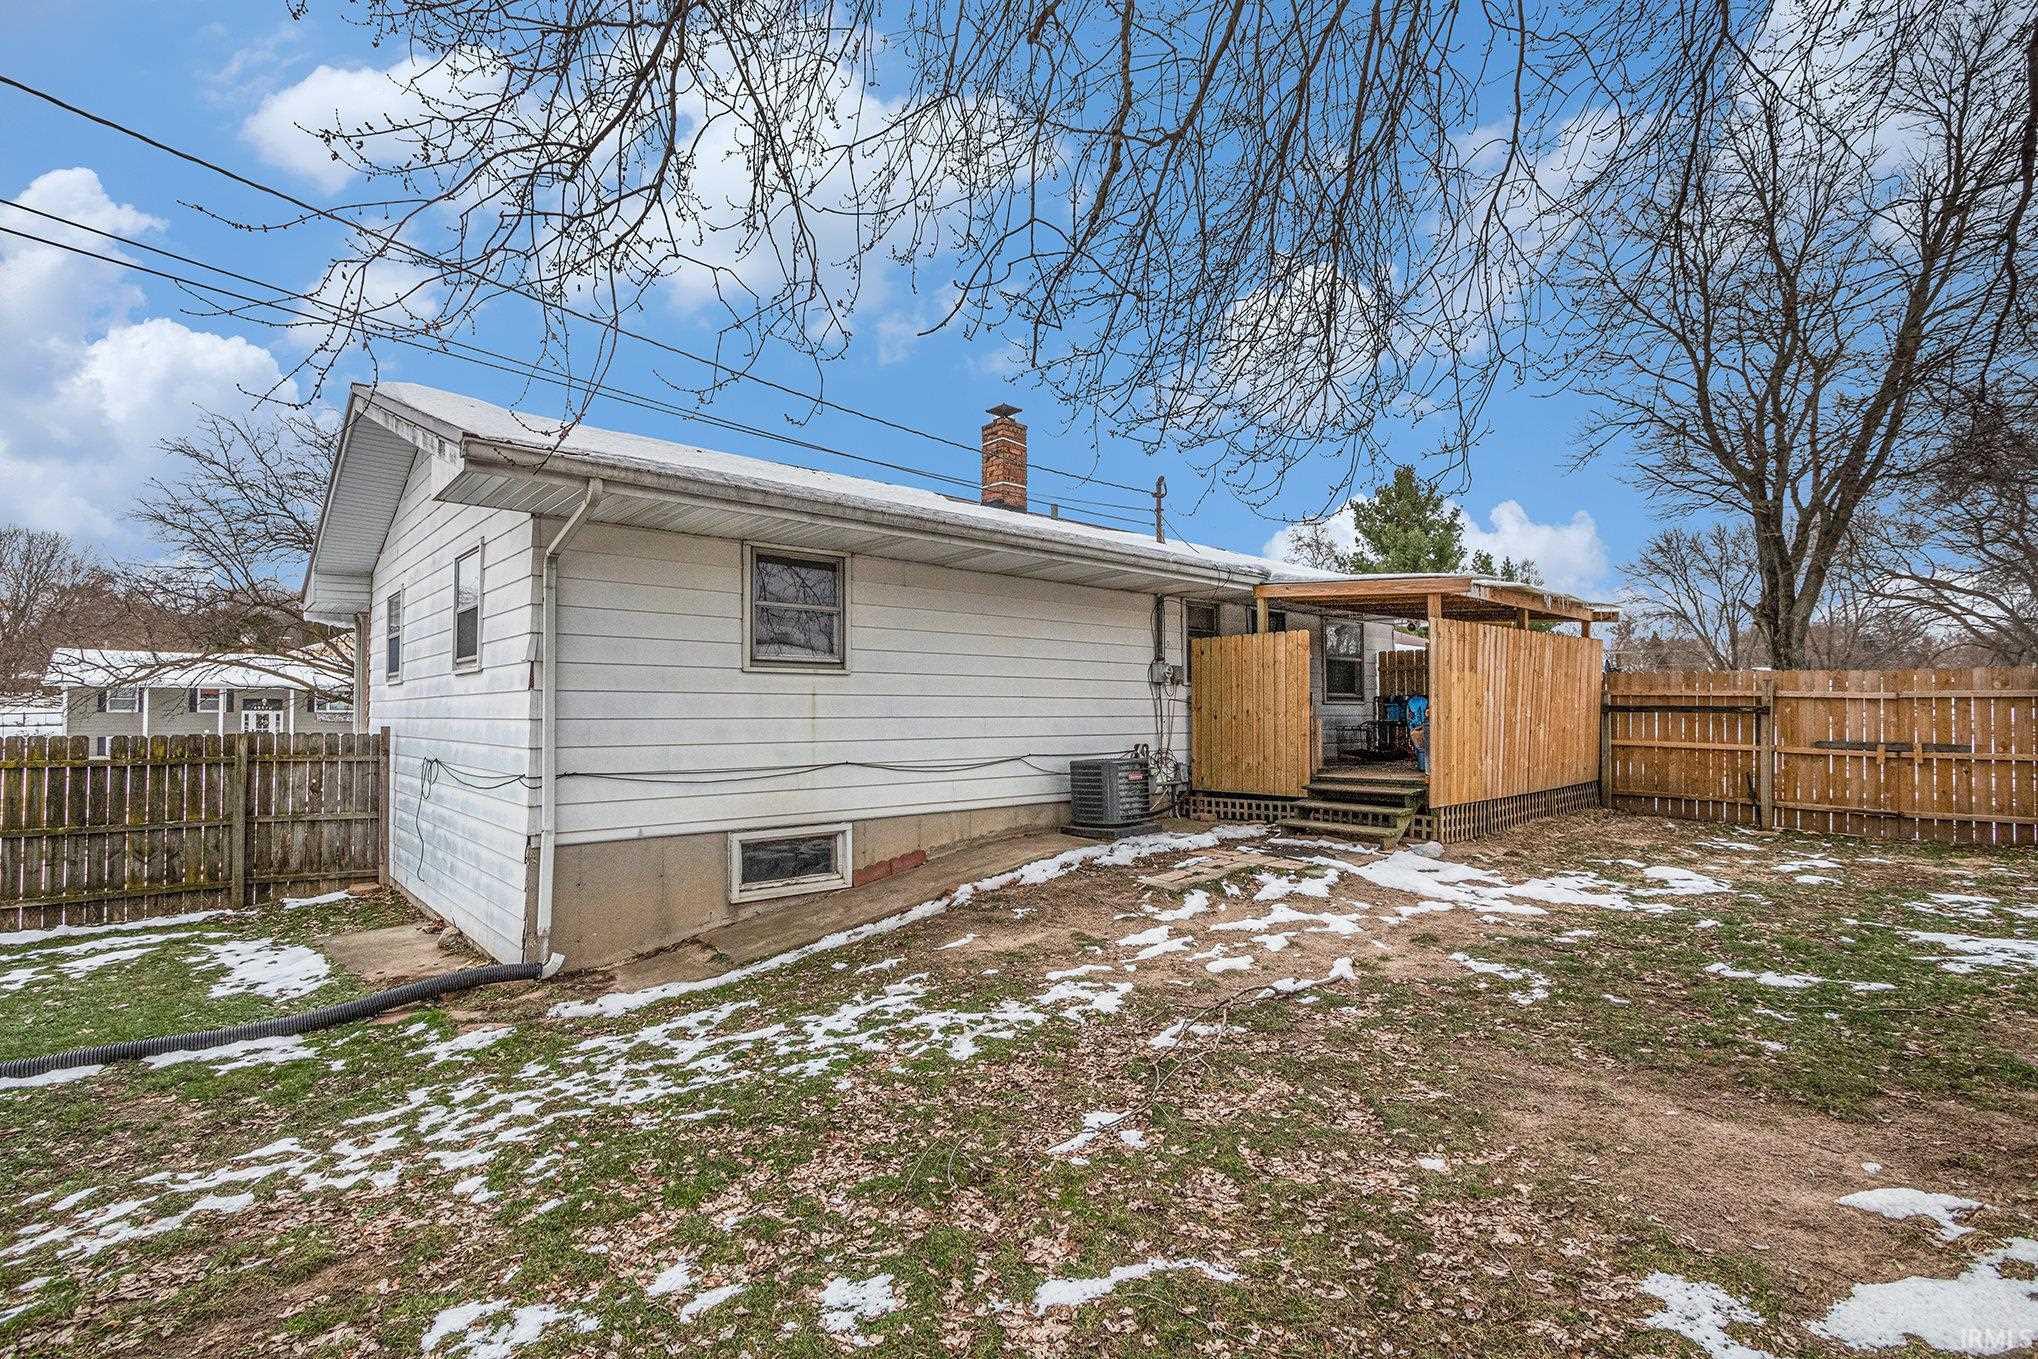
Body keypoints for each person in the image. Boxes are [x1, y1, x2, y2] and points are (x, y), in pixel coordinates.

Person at [1405, 693, 1430, 773]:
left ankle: (1422, 767)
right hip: (1425, 726)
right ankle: (1426, 768)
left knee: (1420, 748)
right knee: (1426, 748)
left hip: (1414, 727)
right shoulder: (1425, 701)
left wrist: (1410, 727)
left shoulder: (1411, 702)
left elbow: (1409, 716)